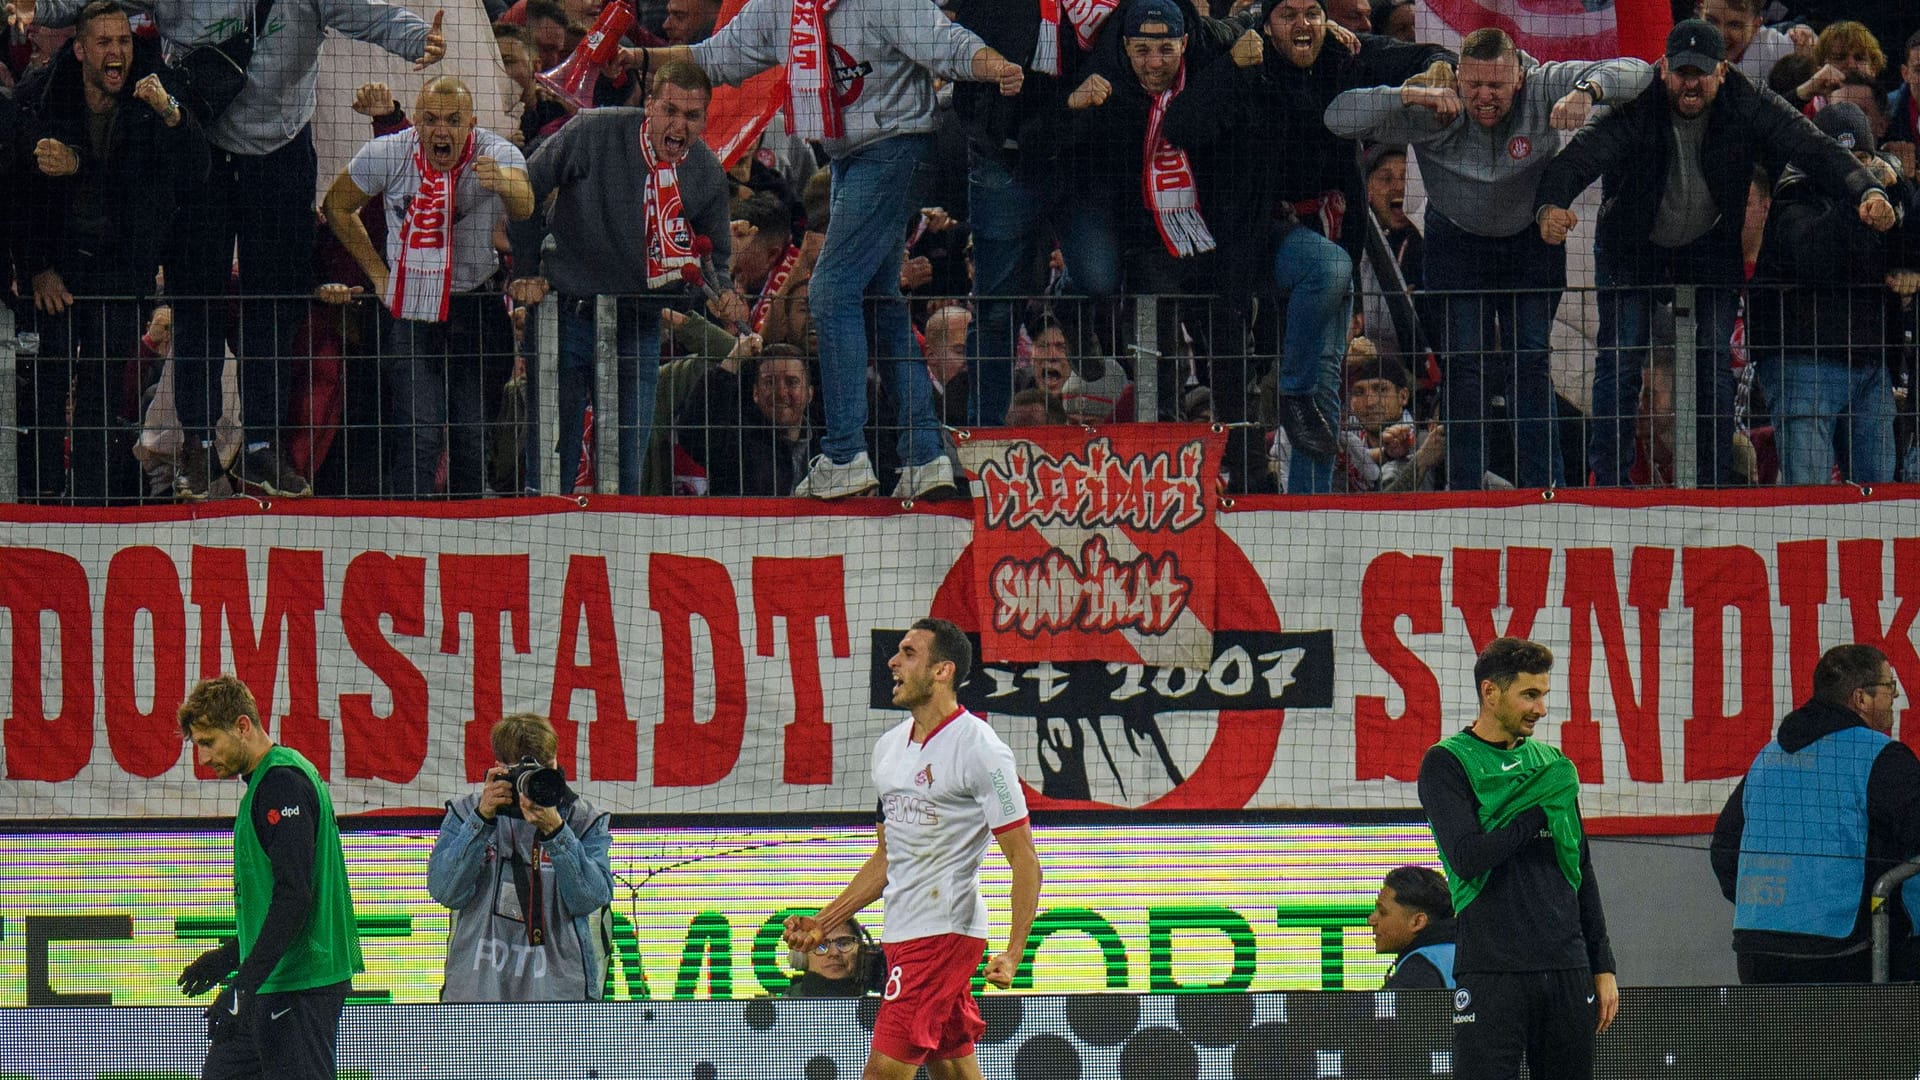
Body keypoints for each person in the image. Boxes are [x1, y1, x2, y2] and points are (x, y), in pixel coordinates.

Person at [9, 0, 448, 499]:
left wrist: (419, 39)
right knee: (196, 303)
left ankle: (262, 446)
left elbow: (372, 16)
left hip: (281, 151)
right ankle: (196, 445)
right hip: (202, 151)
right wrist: (39, 6)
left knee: (274, 308)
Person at [627, 0, 1027, 500]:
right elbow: (717, 56)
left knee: (832, 292)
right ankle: (925, 457)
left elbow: (945, 43)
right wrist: (643, 60)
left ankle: (844, 455)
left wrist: (997, 66)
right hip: (845, 157)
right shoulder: (780, 8)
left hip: (895, 144)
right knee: (880, 301)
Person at [1534, 20, 1895, 488]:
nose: (1691, 82)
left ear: (1722, 72)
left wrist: (1866, 190)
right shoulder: (1638, 107)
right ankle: (1609, 485)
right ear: (1664, 70)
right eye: (1682, 72)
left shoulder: (1749, 101)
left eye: (1701, 72)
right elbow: (1578, 158)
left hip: (1709, 245)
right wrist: (1550, 207)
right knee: (1619, 364)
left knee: (1711, 362)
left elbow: (1814, 147)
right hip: (1631, 246)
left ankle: (1714, 486)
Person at [1327, 28, 1651, 490]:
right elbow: (1337, 116)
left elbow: (1638, 71)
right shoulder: (1433, 104)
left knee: (1531, 362)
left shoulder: (1543, 85)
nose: (1484, 97)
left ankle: (1547, 493)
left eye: (1496, 87)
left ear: (1519, 77)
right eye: (1473, 85)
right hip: (1456, 242)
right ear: (1458, 78)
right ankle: (1464, 493)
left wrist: (1587, 92)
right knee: (1464, 367)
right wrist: (1407, 95)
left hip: (1529, 242)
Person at [1163, 0, 1450, 494]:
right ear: (1267, 22)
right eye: (1288, 14)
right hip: (1252, 239)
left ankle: (1309, 504)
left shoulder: (1341, 54)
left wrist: (1438, 69)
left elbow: (1415, 54)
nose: (1302, 24)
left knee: (1325, 389)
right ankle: (1290, 396)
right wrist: (1233, 67)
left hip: (1329, 225)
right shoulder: (1241, 51)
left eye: (1312, 12)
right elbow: (1181, 126)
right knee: (1327, 270)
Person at [781, 617, 1042, 1078]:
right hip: (901, 931)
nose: (893, 662)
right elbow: (887, 858)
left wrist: (1015, 950)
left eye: (908, 653)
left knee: (881, 1074)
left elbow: (1025, 860)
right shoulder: (887, 750)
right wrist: (825, 921)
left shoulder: (981, 749)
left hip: (943, 933)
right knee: (954, 1069)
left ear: (942, 672)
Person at [510, 60, 740, 494]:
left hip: (639, 327)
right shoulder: (592, 132)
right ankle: (543, 555)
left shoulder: (708, 173)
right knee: (549, 467)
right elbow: (526, 187)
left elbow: (714, 257)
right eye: (669, 110)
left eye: (691, 116)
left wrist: (723, 293)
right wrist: (525, 269)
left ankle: (615, 558)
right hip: (563, 316)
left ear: (705, 120)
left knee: (627, 469)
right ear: (648, 105)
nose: (679, 124)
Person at [17, 0, 203, 504]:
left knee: (104, 395)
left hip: (123, 270)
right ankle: (40, 499)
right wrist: (37, 270)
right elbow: (17, 194)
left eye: (123, 41)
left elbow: (195, 169)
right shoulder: (40, 97)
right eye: (104, 43)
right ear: (80, 50)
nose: (116, 51)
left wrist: (171, 115)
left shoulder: (155, 95)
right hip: (57, 268)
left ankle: (96, 506)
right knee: (45, 389)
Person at [1417, 637, 1618, 1080]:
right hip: (1493, 971)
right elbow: (1469, 856)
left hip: (1567, 968)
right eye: (1530, 695)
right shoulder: (1446, 763)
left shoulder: (1553, 766)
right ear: (1491, 692)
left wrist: (1602, 965)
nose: (1541, 709)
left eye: (1543, 695)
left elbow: (1580, 869)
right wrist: (1537, 811)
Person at [324, 77, 532, 498]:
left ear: (471, 124)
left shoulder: (495, 153)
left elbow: (526, 203)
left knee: (472, 436)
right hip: (412, 305)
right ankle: (413, 538)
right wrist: (380, 278)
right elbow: (336, 206)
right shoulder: (391, 151)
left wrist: (504, 184)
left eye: (454, 121)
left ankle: (469, 540)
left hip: (476, 305)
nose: (442, 131)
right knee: (420, 435)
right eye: (432, 120)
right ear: (416, 123)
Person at [174, 675, 362, 1080]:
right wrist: (228, 957)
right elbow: (280, 902)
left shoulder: (281, 785)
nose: (202, 758)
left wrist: (240, 988)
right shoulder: (273, 780)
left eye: (208, 742)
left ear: (243, 726)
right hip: (273, 983)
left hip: (299, 984)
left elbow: (295, 897)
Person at [1709, 645, 1920, 983]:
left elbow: (1723, 847)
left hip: (1756, 948)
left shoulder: (1767, 757)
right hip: (1845, 953)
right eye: (1889, 687)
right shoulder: (1882, 758)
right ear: (1860, 698)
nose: (1895, 697)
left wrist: (1773, 909)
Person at [1748, 102, 1920, 486]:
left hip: (1868, 366)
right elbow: (1815, 257)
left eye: (1862, 159)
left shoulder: (1886, 196)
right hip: (1803, 364)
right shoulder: (1793, 197)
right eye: (1842, 160)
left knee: (1877, 495)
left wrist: (1901, 187)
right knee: (1809, 498)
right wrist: (1859, 198)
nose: (1854, 171)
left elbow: (1911, 246)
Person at [426, 713, 614, 1000]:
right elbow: (445, 891)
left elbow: (589, 900)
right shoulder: (466, 813)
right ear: (500, 767)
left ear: (556, 760)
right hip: (478, 993)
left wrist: (556, 831)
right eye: (522, 772)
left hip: (558, 995)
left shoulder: (583, 820)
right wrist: (481, 820)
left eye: (545, 769)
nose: (533, 781)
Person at [1371, 864, 1457, 989]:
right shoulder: (1460, 953)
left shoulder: (1419, 970)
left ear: (1418, 922)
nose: (1371, 920)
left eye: (1383, 912)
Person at [1699, 0, 1794, 85]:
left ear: (1755, 26)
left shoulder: (1773, 48)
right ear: (1700, 12)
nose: (1720, 35)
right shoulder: (1687, 42)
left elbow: (1805, 49)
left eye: (1735, 25)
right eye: (1711, 20)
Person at [784, 916, 874, 998]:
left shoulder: (880, 1007)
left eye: (844, 943)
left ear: (862, 952)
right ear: (802, 956)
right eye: (821, 946)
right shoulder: (781, 1009)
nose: (834, 953)